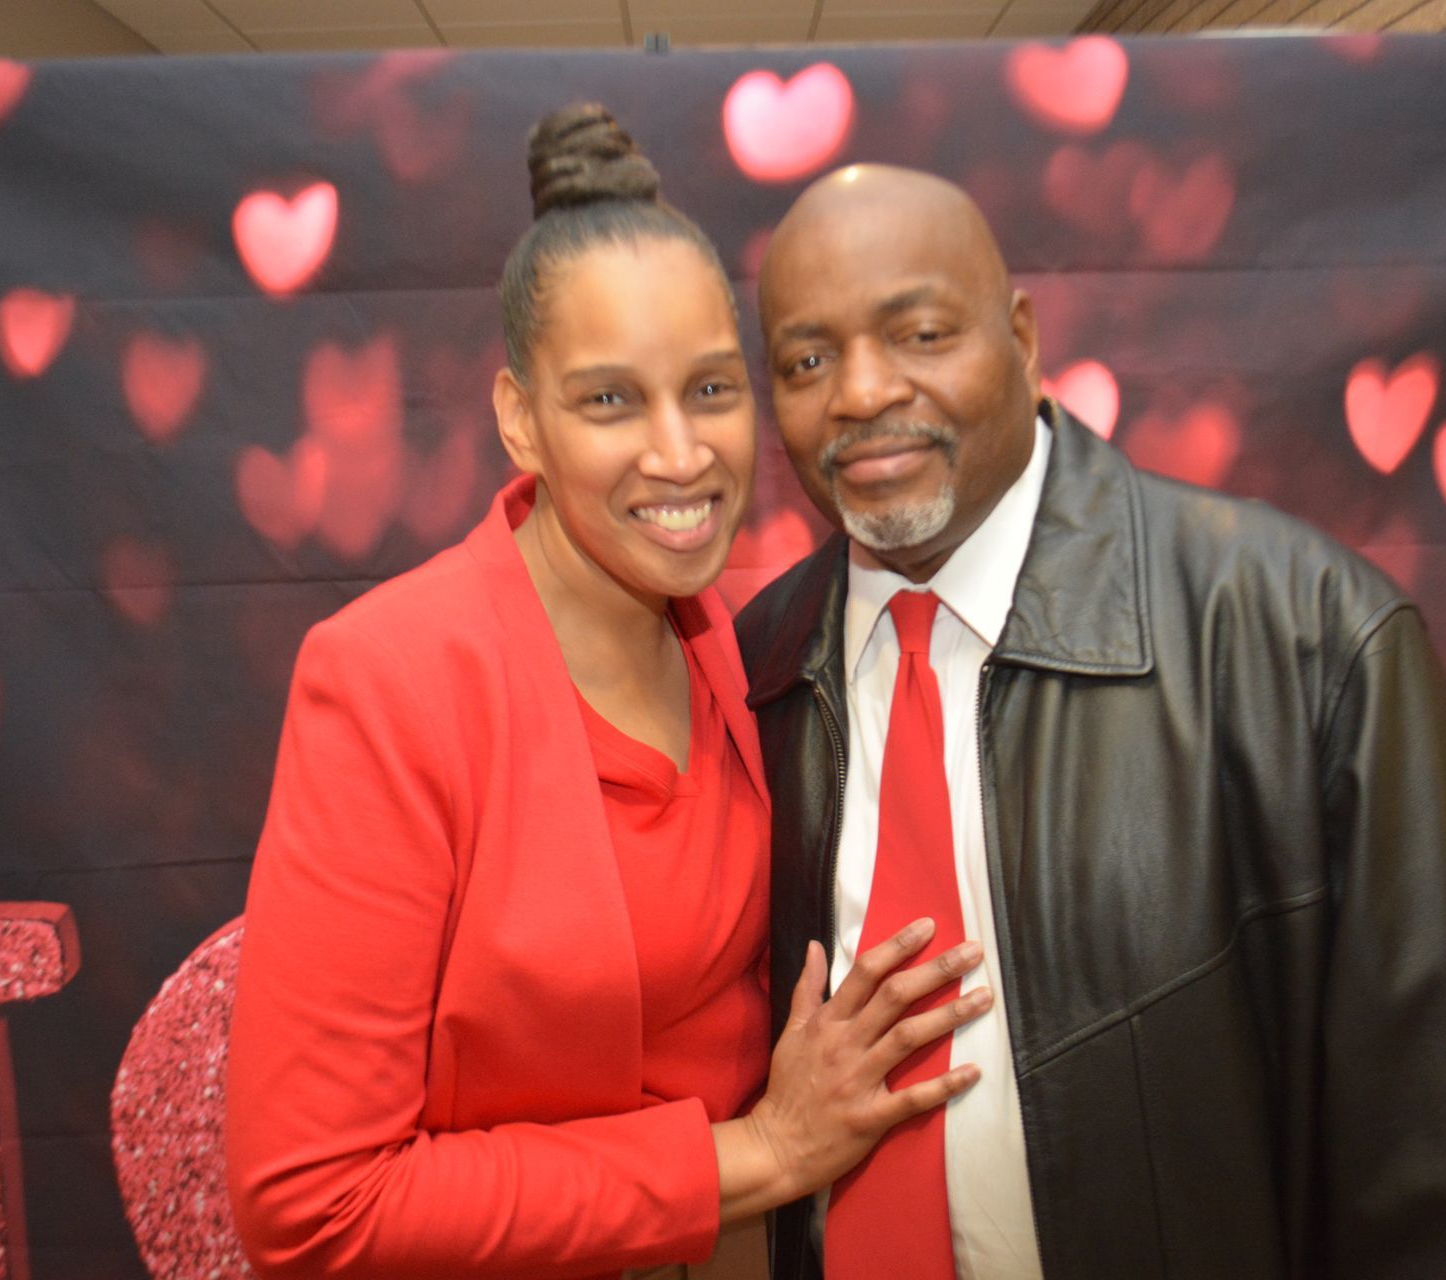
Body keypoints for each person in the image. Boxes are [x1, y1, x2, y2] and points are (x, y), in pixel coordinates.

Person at [735, 164, 1446, 1279]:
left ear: (1022, 339)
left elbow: (1433, 1157)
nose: (862, 391)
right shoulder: (753, 671)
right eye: (807, 361)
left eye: (919, 334)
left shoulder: (1304, 636)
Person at [224, 111, 992, 1280]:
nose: (682, 453)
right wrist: (761, 1152)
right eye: (609, 402)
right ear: (519, 418)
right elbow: (310, 1200)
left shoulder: (743, 642)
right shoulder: (390, 679)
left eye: (711, 387)